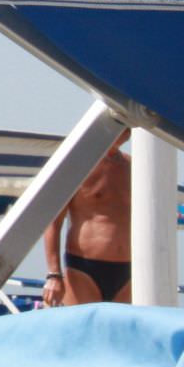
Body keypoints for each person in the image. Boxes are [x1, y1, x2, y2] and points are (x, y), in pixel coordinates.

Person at [40, 131, 132, 306]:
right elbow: (53, 222)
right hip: (84, 267)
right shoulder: (77, 165)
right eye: (121, 124)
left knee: (118, 332)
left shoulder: (133, 166)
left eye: (128, 126)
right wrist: (54, 274)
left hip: (129, 268)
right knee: (83, 329)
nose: (126, 130)